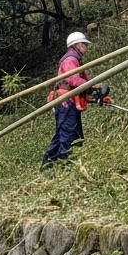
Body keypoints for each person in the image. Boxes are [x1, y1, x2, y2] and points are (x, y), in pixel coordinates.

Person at [42, 31, 92, 165]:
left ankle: (50, 162)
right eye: (84, 44)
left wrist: (93, 91)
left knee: (69, 133)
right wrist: (91, 86)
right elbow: (74, 79)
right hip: (65, 101)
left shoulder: (77, 60)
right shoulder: (70, 59)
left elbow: (84, 79)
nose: (85, 47)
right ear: (76, 45)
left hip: (70, 100)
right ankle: (65, 163)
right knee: (67, 133)